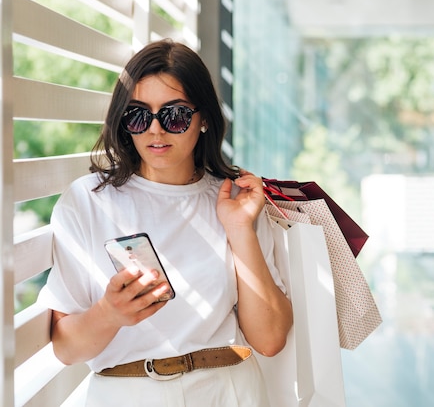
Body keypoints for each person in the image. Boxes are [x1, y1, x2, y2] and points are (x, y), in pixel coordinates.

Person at [37, 39, 293, 406]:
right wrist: (109, 314)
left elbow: (269, 339)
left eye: (174, 115)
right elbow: (65, 348)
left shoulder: (236, 200)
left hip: (230, 391)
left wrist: (239, 230)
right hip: (126, 395)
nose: (155, 131)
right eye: (139, 115)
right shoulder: (88, 200)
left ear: (203, 118)